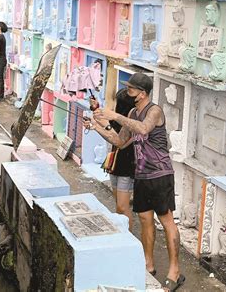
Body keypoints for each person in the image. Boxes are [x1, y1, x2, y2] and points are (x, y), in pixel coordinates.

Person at [85, 73, 184, 290]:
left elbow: (144, 128)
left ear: (142, 93)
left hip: (160, 175)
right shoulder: (131, 112)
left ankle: (175, 270)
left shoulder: (154, 110)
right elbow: (120, 142)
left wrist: (113, 115)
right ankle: (148, 264)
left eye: (131, 89)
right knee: (145, 220)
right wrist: (96, 127)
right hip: (141, 176)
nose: (128, 92)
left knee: (166, 221)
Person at [93, 89, 136, 231]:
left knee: (123, 207)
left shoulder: (132, 123)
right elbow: (106, 126)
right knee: (118, 204)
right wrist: (95, 109)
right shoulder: (117, 119)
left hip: (128, 166)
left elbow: (119, 141)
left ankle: (127, 236)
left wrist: (103, 126)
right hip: (114, 164)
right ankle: (122, 232)